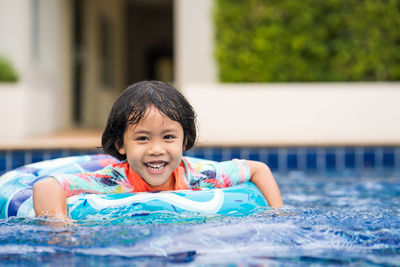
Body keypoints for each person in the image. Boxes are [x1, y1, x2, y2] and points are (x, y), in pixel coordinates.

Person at [33, 81, 283, 221]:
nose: (156, 149)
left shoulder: (200, 177)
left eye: (168, 137)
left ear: (184, 142)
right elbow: (46, 185)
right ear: (121, 144)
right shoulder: (111, 182)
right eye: (142, 138)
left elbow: (258, 169)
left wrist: (278, 214)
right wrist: (59, 226)